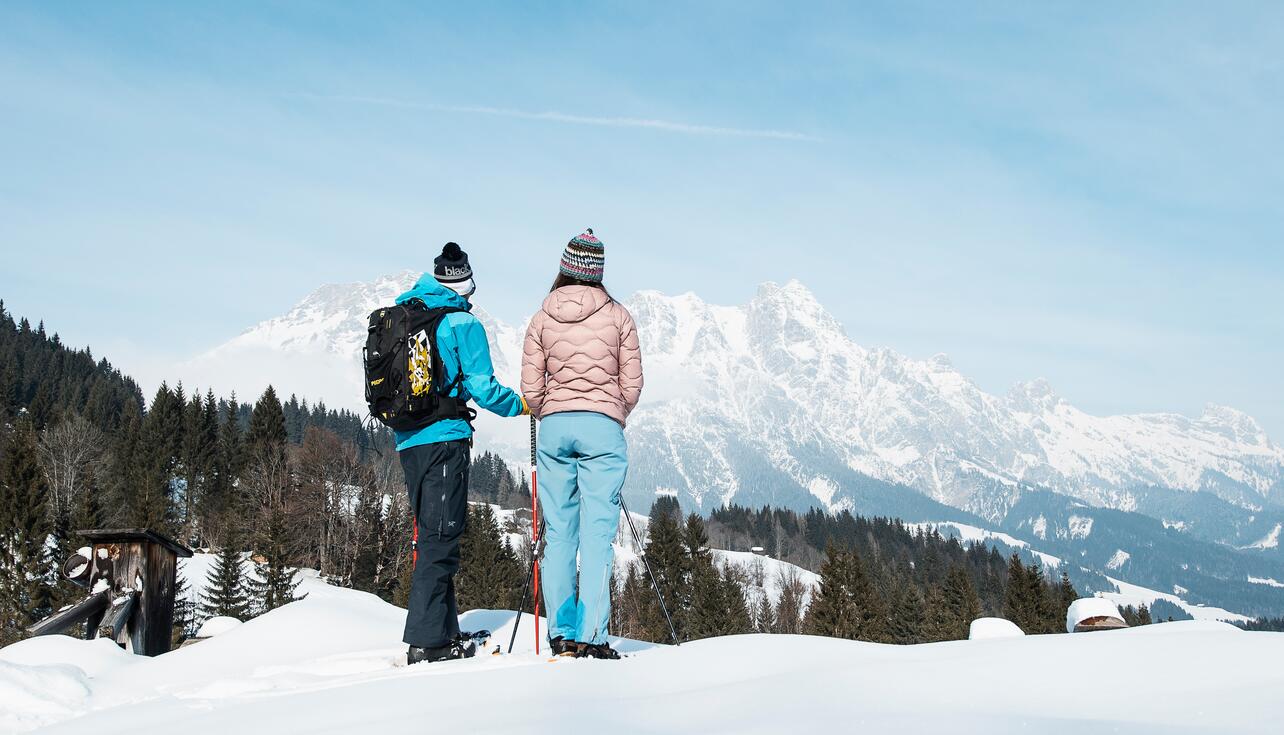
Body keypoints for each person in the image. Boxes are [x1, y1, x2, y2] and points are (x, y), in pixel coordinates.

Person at [397, 242, 528, 665]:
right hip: (444, 440)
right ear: (466, 287)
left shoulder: (407, 313)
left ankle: (444, 630)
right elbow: (482, 387)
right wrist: (524, 405)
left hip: (409, 440)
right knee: (440, 537)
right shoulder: (459, 323)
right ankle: (428, 643)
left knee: (430, 532)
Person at [520, 229, 643, 659]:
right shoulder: (619, 316)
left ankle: (561, 633)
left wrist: (548, 410)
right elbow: (632, 385)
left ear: (564, 268)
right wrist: (612, 413)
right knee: (596, 534)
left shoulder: (541, 318)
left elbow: (531, 389)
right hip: (602, 429)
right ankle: (592, 636)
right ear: (598, 272)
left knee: (558, 533)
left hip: (553, 427)